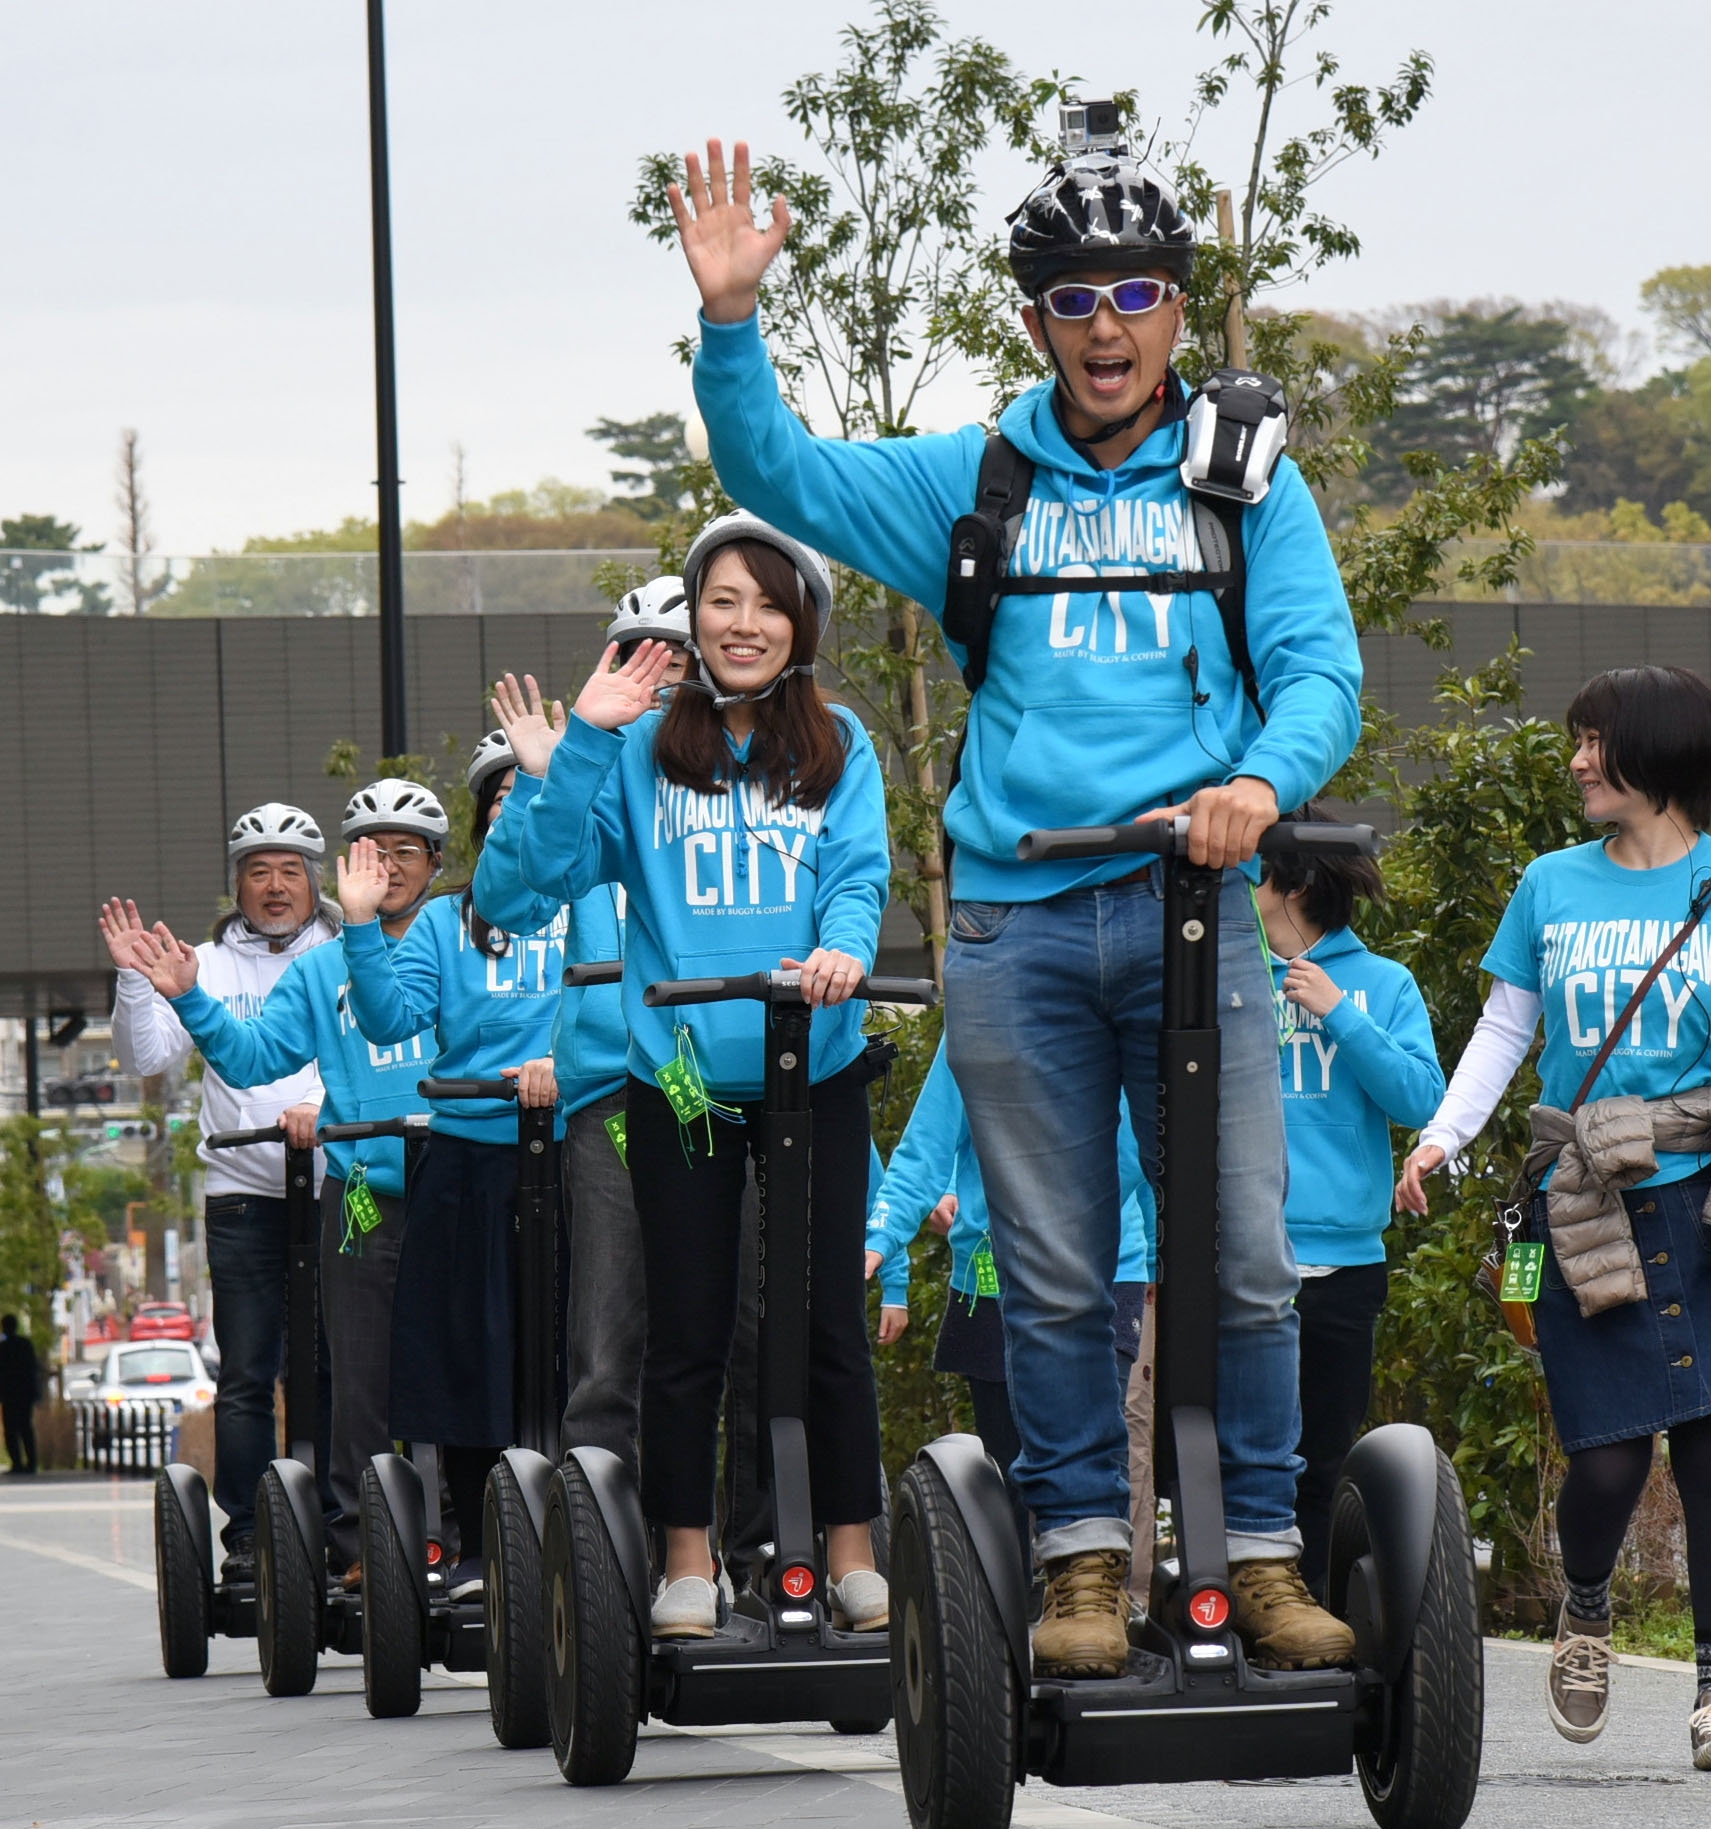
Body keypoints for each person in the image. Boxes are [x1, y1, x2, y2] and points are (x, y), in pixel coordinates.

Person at [668, 129, 1362, 1677]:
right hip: (1014, 921)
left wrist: (1260, 780)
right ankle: (1080, 1569)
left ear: (1176, 310)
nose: (1103, 324)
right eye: (1069, 296)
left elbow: (1320, 669)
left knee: (1242, 1248)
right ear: (1035, 319)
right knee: (1048, 1261)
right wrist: (730, 323)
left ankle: (1257, 1554)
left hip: (1195, 910)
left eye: (1132, 291)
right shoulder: (975, 483)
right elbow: (773, 470)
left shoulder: (1246, 485)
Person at [1397, 665, 1711, 1773]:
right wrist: (1441, 1137)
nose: (1574, 763)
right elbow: (1501, 1030)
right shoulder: (1548, 886)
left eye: (1593, 744)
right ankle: (1585, 1604)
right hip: (1584, 1206)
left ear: (1655, 758)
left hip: (1710, 1203)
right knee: (1606, 1465)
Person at [498, 512, 893, 1639]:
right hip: (677, 1082)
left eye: (768, 604)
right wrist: (582, 736)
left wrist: (844, 952)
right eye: (722, 601)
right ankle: (687, 1559)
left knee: (821, 1324)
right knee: (687, 1327)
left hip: (808, 1070)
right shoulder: (635, 751)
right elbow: (526, 889)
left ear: (801, 623)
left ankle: (848, 1550)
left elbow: (857, 875)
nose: (745, 623)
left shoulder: (839, 745)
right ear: (692, 616)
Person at [110, 778, 445, 1580]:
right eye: (373, 851)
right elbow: (252, 1057)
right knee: (345, 1374)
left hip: (454, 1181)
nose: (389, 867)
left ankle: (455, 1531)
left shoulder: (464, 940)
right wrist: (188, 995)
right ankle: (352, 1541)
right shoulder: (318, 969)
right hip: (357, 1191)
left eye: (406, 852)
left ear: (438, 863)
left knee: (447, 1362)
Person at [334, 741, 565, 1602]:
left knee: (581, 1351)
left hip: (577, 1145)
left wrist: (561, 1062)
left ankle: (602, 1532)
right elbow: (391, 1016)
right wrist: (360, 922)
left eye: (531, 791)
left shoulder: (599, 900)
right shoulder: (445, 922)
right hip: (469, 1150)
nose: (513, 807)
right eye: (499, 798)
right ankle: (481, 1547)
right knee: (470, 1351)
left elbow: (622, 1001)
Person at [474, 582, 693, 1476]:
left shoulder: (745, 774)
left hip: (745, 1087)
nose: (661, 676)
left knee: (759, 1328)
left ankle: (768, 1547)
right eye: (638, 655)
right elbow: (506, 902)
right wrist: (536, 779)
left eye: (676, 656)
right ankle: (608, 1548)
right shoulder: (591, 774)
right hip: (613, 1092)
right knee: (611, 1334)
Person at [102, 802, 335, 1581]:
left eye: (290, 872)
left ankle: (340, 1527)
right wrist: (138, 983)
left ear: (315, 880)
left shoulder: (348, 954)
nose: (275, 887)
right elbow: (146, 1060)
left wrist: (326, 1112)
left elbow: (381, 1053)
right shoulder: (202, 963)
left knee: (335, 1365)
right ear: (236, 884)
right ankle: (247, 1537)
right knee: (246, 1374)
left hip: (338, 1185)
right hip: (242, 1191)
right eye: (258, 872)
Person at [1252, 809, 1444, 1601]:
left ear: (1293, 884)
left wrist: (1339, 1010)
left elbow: (1418, 1096)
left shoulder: (1383, 984)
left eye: (1254, 873)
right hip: (1242, 1257)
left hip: (1344, 1265)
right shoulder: (1231, 975)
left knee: (1323, 1460)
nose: (1242, 888)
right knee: (1248, 1454)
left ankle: (1318, 1621)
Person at [866, 1037, 1154, 1511]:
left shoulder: (1116, 1006)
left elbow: (1151, 1151)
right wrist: (882, 1237)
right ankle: (1022, 1585)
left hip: (1107, 1267)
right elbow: (926, 1150)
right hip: (993, 1276)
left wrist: (1160, 1262)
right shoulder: (974, 1016)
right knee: (1011, 1470)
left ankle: (1095, 1582)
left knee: (1099, 1457)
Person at [0, 1314, 39, 1478]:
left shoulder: (1, 1348)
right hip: (25, 1394)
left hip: (9, 1396)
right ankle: (31, 1463)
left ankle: (17, 1463)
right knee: (26, 1428)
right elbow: (34, 1369)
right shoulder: (26, 1345)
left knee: (11, 1430)